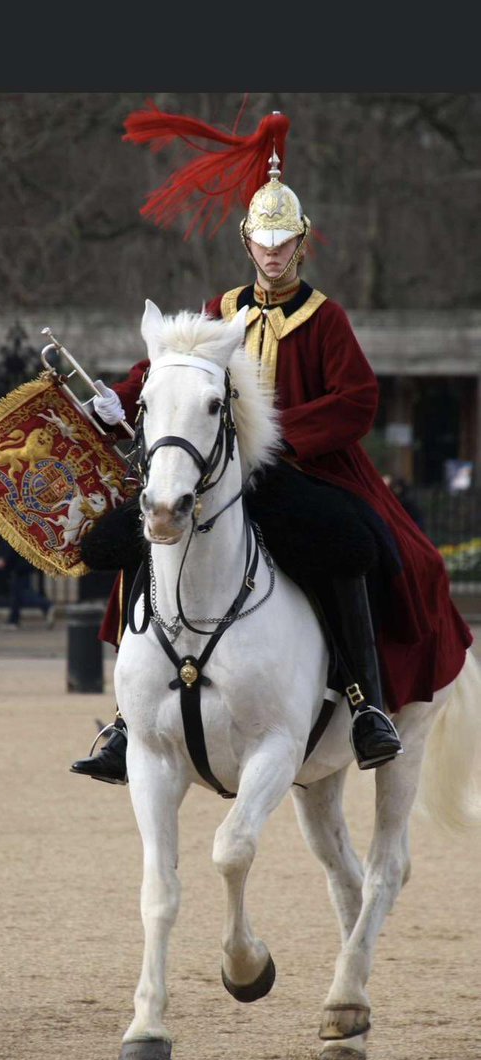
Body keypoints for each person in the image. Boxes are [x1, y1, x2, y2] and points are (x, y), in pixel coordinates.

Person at [69, 106, 472, 785]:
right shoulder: (219, 309)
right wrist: (115, 397)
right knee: (134, 534)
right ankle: (127, 716)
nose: (273, 253)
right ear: (246, 241)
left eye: (284, 242)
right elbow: (168, 368)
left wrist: (279, 438)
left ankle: (365, 704)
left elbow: (356, 402)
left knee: (352, 546)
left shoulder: (325, 318)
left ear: (302, 244)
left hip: (295, 472)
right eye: (263, 240)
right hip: (210, 473)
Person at [0, 540, 56, 630]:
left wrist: (4, 558)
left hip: (19, 564)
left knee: (22, 593)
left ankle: (46, 605)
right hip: (25, 561)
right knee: (16, 594)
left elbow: (11, 541)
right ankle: (13, 620)